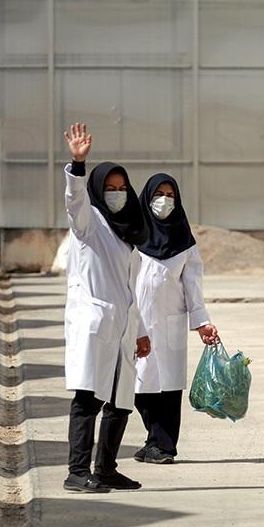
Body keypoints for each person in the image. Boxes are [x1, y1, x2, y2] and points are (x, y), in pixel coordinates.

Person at [60, 123, 152, 493]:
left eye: (121, 188)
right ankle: (76, 471)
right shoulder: (89, 223)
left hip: (123, 323)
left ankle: (106, 468)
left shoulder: (128, 231)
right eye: (110, 188)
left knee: (121, 399)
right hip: (94, 320)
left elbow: (128, 287)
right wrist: (78, 165)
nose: (116, 194)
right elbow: (75, 201)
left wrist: (140, 330)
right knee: (88, 397)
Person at [131, 173, 220, 464]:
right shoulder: (132, 237)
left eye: (170, 196)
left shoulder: (184, 241)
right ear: (147, 198)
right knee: (138, 386)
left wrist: (202, 322)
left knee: (168, 386)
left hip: (171, 322)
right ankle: (152, 440)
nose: (164, 201)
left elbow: (193, 285)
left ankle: (164, 446)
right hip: (136, 322)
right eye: (159, 195)